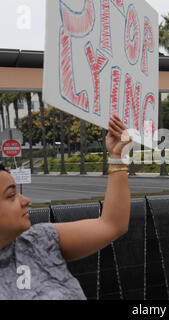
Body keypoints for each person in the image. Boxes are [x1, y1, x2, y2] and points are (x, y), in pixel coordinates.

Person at [0, 114, 131, 300]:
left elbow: (113, 225)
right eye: (11, 195)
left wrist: (117, 156)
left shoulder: (40, 240)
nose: (25, 200)